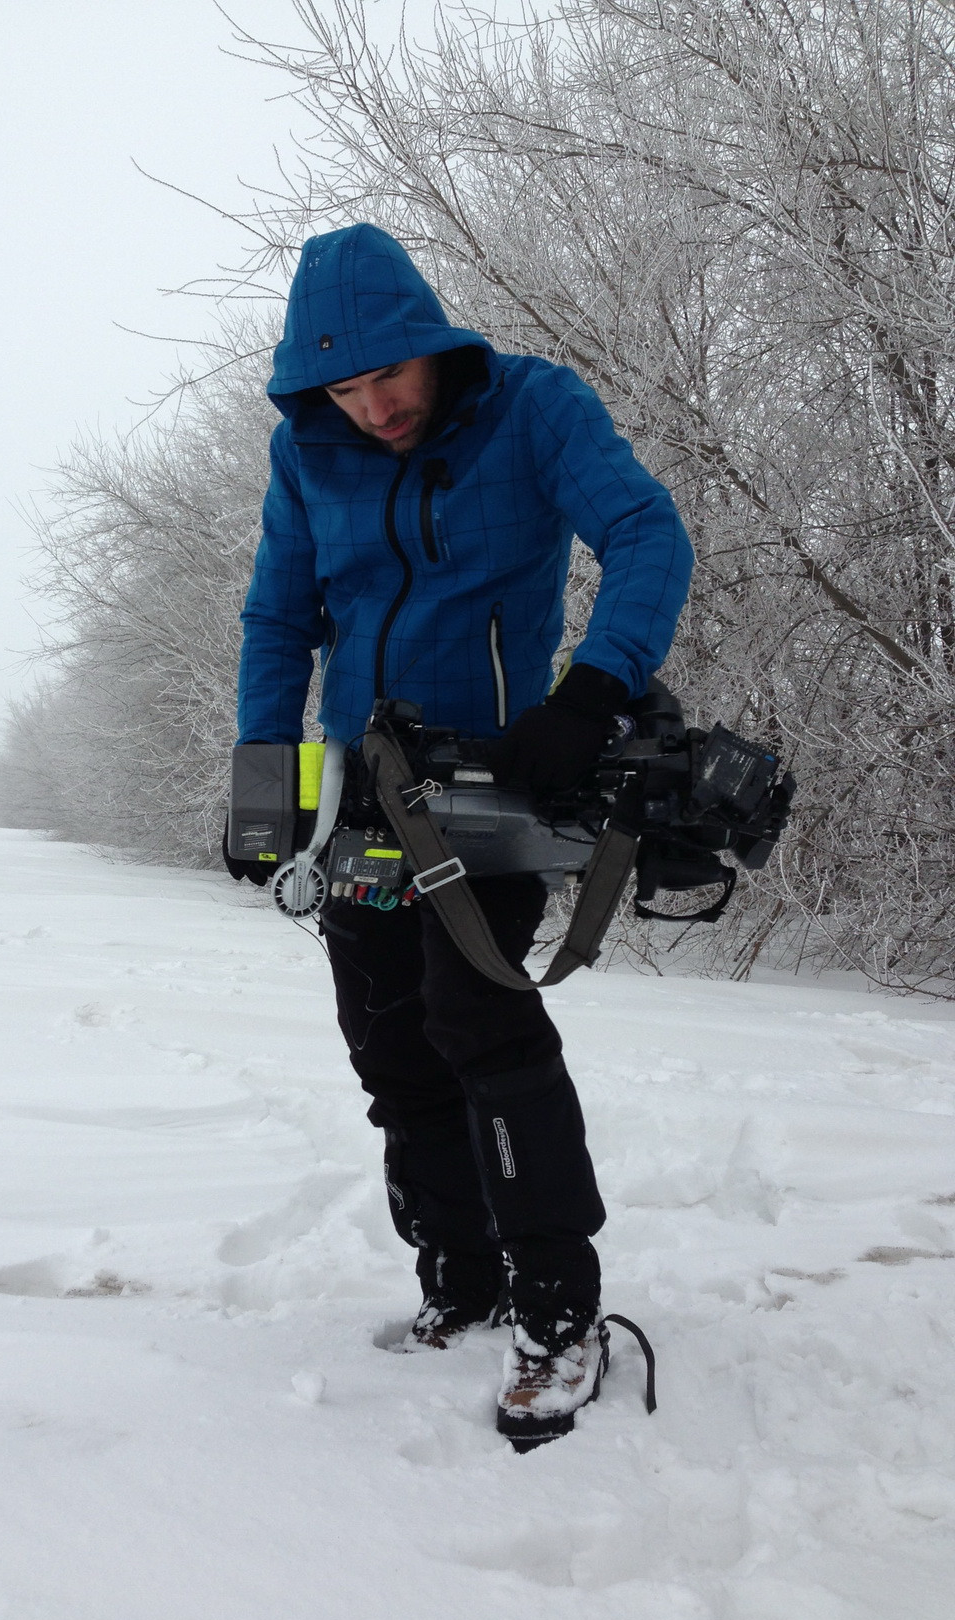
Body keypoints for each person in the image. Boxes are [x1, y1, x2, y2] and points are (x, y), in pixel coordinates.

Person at [226, 223, 692, 1448]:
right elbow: (279, 615)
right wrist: (265, 776)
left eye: (388, 374)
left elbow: (648, 533)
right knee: (388, 1045)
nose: (371, 404)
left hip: (496, 781)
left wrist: (589, 693)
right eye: (341, 385)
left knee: (477, 1018)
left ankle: (560, 1312)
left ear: (433, 346)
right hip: (366, 789)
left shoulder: (531, 407)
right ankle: (462, 1279)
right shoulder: (305, 452)